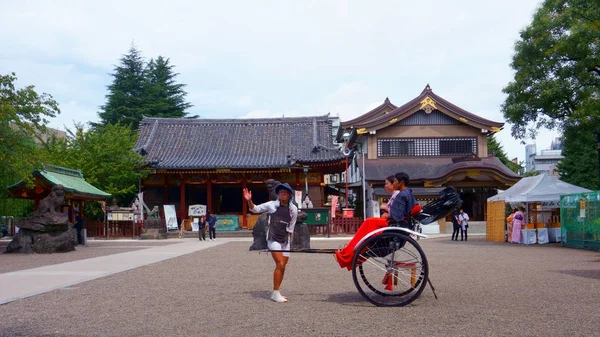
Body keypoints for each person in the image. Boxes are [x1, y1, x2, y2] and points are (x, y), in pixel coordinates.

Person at [335, 172, 417, 270]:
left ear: (401, 182)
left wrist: (388, 214)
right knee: (370, 222)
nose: (394, 183)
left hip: (395, 223)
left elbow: (398, 215)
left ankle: (348, 252)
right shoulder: (408, 193)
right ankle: (351, 249)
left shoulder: (401, 195)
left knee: (369, 222)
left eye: (395, 181)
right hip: (400, 223)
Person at [243, 182, 298, 303]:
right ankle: (275, 292)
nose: (283, 193)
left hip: (285, 240)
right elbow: (254, 209)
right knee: (280, 264)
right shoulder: (271, 205)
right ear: (278, 193)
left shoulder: (293, 209)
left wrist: (290, 243)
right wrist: (249, 200)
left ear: (289, 194)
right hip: (273, 238)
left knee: (283, 267)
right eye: (281, 191)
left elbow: (291, 228)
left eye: (286, 192)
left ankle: (276, 292)